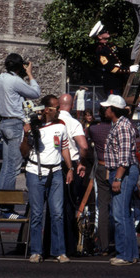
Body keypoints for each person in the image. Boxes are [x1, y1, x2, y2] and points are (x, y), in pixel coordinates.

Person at [20, 94, 74, 264]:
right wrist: (26, 135)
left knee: (57, 214)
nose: (59, 110)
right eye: (56, 107)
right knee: (36, 214)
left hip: (56, 172)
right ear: (46, 110)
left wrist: (70, 167)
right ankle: (36, 251)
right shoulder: (34, 126)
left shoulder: (61, 125)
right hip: (35, 172)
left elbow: (64, 148)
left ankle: (59, 251)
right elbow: (23, 152)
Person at [0, 53, 40, 218]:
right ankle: (6, 210)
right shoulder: (16, 81)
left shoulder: (1, 77)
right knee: (13, 168)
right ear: (19, 66)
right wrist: (29, 74)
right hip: (14, 124)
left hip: (3, 123)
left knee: (6, 166)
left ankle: (2, 206)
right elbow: (35, 93)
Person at [102, 94, 139, 266]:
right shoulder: (120, 124)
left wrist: (117, 177)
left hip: (122, 172)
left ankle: (124, 254)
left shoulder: (122, 127)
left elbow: (124, 158)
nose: (105, 110)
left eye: (107, 107)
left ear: (113, 110)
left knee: (120, 215)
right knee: (126, 215)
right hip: (121, 172)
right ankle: (130, 253)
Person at [59, 93, 88, 256]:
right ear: (72, 105)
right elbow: (83, 146)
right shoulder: (73, 122)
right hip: (71, 164)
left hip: (56, 164)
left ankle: (54, 243)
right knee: (70, 205)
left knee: (56, 207)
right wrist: (81, 163)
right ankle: (70, 245)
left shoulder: (53, 121)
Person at [89, 22, 138, 96]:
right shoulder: (100, 50)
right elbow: (110, 68)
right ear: (99, 36)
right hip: (112, 84)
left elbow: (124, 51)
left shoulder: (110, 45)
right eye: (104, 31)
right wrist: (128, 69)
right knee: (114, 105)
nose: (107, 31)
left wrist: (138, 50)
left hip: (120, 82)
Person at [89, 105, 113, 255]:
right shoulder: (116, 128)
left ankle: (104, 245)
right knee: (120, 207)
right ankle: (121, 242)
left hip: (102, 166)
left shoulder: (94, 130)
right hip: (116, 168)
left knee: (103, 207)